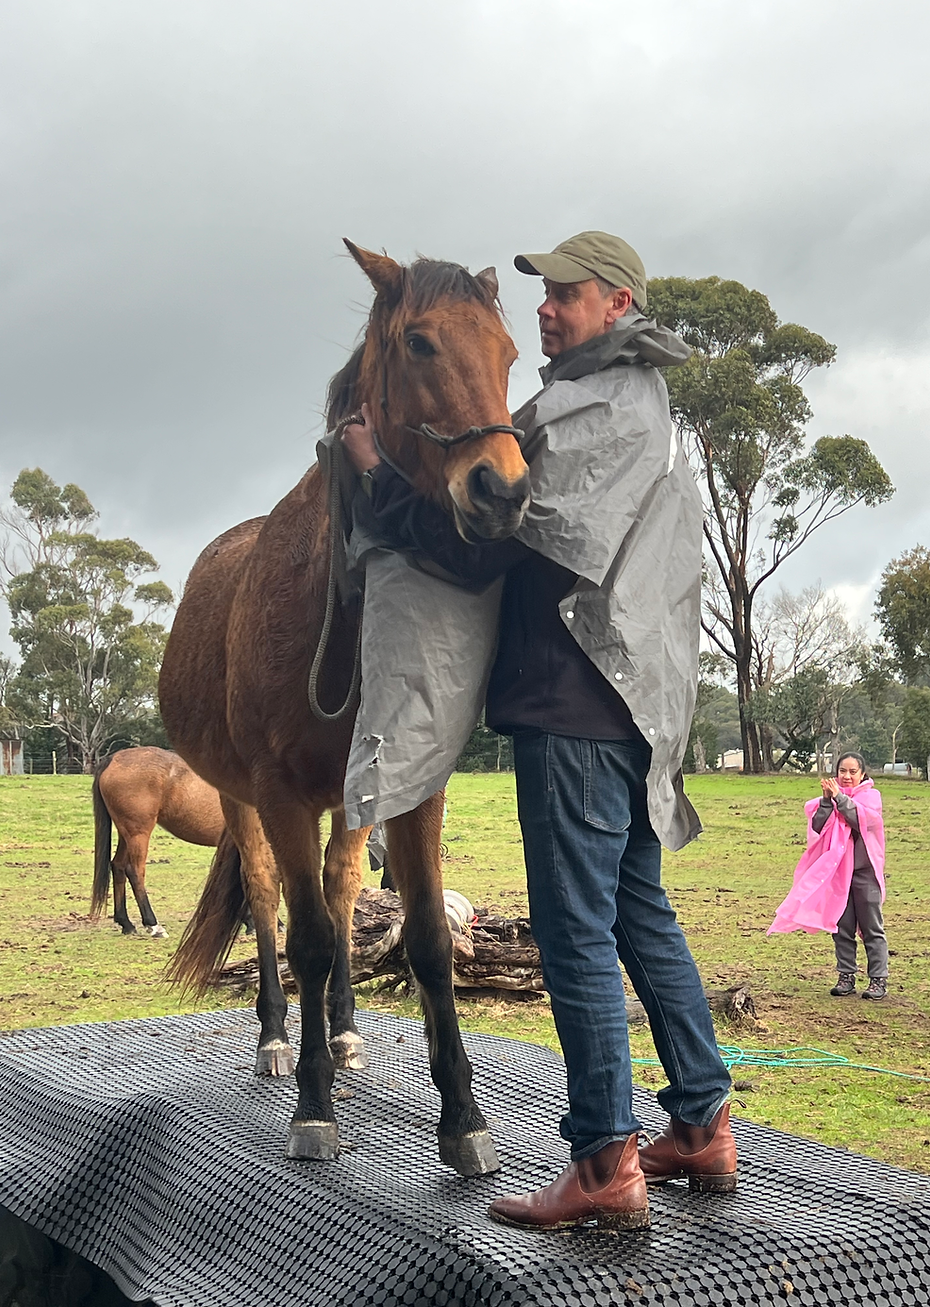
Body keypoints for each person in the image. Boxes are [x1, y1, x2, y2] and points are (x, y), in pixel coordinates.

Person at [342, 231, 735, 1232]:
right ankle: (698, 1119)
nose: (545, 312)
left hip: (576, 699)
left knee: (572, 937)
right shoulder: (620, 399)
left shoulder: (603, 407)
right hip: (631, 702)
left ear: (615, 303)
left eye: (562, 296)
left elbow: (499, 538)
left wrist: (379, 474)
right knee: (640, 915)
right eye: (543, 298)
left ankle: (602, 1158)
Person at [769, 752, 887, 1000]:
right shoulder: (829, 799)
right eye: (842, 771)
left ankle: (878, 979)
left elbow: (861, 820)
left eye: (852, 772)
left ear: (863, 775)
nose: (846, 776)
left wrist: (839, 799)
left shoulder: (871, 798)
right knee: (841, 926)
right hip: (837, 873)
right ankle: (846, 976)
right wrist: (825, 801)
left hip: (865, 874)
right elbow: (817, 828)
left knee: (871, 927)